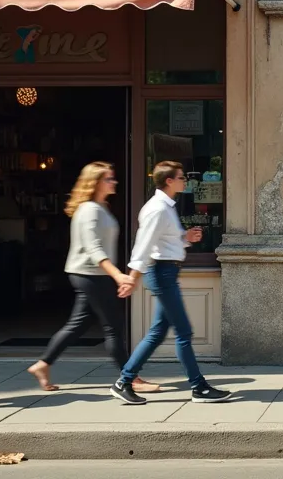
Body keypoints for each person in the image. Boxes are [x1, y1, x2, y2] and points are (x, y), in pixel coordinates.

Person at [110, 161, 231, 405]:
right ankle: (199, 387)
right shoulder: (158, 209)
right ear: (169, 181)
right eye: (181, 177)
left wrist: (185, 238)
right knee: (184, 332)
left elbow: (163, 242)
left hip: (166, 272)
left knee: (158, 331)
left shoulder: (165, 207)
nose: (184, 180)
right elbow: (144, 245)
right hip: (162, 273)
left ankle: (124, 381)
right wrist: (132, 277)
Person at [28, 162, 156, 394]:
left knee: (78, 325)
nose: (114, 182)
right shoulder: (89, 210)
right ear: (95, 183)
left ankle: (42, 364)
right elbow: (93, 248)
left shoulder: (100, 206)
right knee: (114, 327)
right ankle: (130, 379)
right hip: (90, 275)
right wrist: (117, 275)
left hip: (92, 274)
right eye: (109, 179)